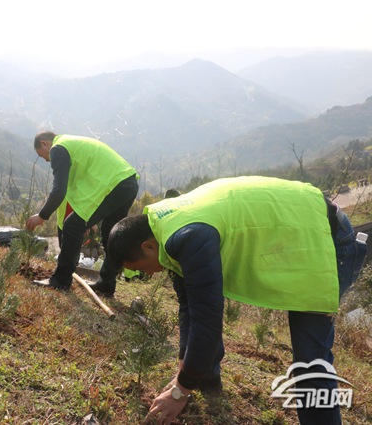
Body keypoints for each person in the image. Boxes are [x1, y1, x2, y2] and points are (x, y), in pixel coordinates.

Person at [106, 176, 367, 425]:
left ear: (147, 246)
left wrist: (180, 391)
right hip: (301, 225)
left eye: (141, 268)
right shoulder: (162, 223)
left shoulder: (188, 236)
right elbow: (189, 306)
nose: (149, 275)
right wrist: (183, 370)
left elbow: (207, 320)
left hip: (323, 236)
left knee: (310, 364)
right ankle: (205, 377)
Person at [25, 131, 138, 296]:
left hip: (114, 185)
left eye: (43, 157)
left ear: (44, 143)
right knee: (111, 234)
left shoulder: (58, 148)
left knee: (73, 225)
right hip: (128, 182)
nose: (47, 160)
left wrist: (42, 216)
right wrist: (88, 219)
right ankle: (107, 284)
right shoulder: (71, 144)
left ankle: (60, 280)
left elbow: (59, 191)